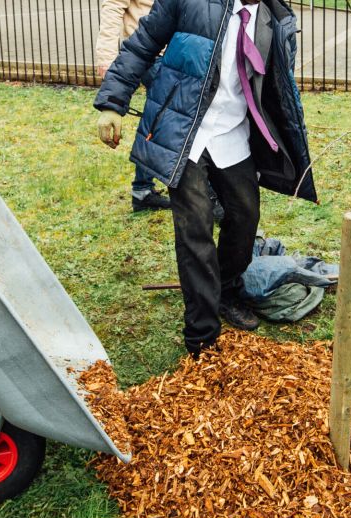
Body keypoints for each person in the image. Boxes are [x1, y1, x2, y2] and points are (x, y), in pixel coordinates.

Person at [94, 0, 315, 357]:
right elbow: (143, 42)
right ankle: (202, 334)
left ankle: (226, 289)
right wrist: (112, 103)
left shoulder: (275, 18)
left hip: (233, 132)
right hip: (185, 130)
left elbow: (277, 85)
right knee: (195, 229)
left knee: (244, 217)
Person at [95, 0, 171, 212]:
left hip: (174, 52)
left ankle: (142, 190)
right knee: (174, 115)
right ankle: (210, 191)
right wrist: (107, 57)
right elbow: (112, 7)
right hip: (149, 54)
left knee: (156, 117)